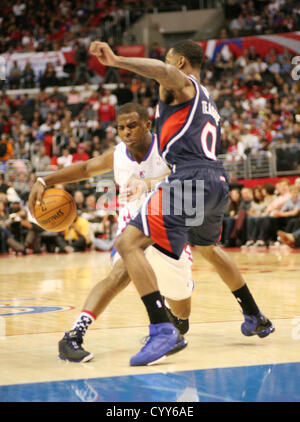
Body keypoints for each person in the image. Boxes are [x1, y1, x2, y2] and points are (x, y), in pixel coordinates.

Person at [88, 39, 275, 366]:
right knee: (208, 249)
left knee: (128, 243)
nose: (164, 70)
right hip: (216, 181)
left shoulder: (183, 85)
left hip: (189, 178)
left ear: (183, 64)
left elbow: (162, 71)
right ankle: (254, 315)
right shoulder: (208, 100)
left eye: (170, 61)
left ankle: (162, 329)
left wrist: (117, 60)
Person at [28, 103, 193, 363]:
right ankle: (73, 335)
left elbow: (188, 178)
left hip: (168, 227)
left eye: (132, 126)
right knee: (120, 273)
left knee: (182, 306)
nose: (126, 132)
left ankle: (175, 324)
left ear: (147, 125)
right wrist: (44, 180)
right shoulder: (117, 155)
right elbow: (84, 169)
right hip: (132, 229)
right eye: (121, 127)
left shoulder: (168, 147)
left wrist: (148, 184)